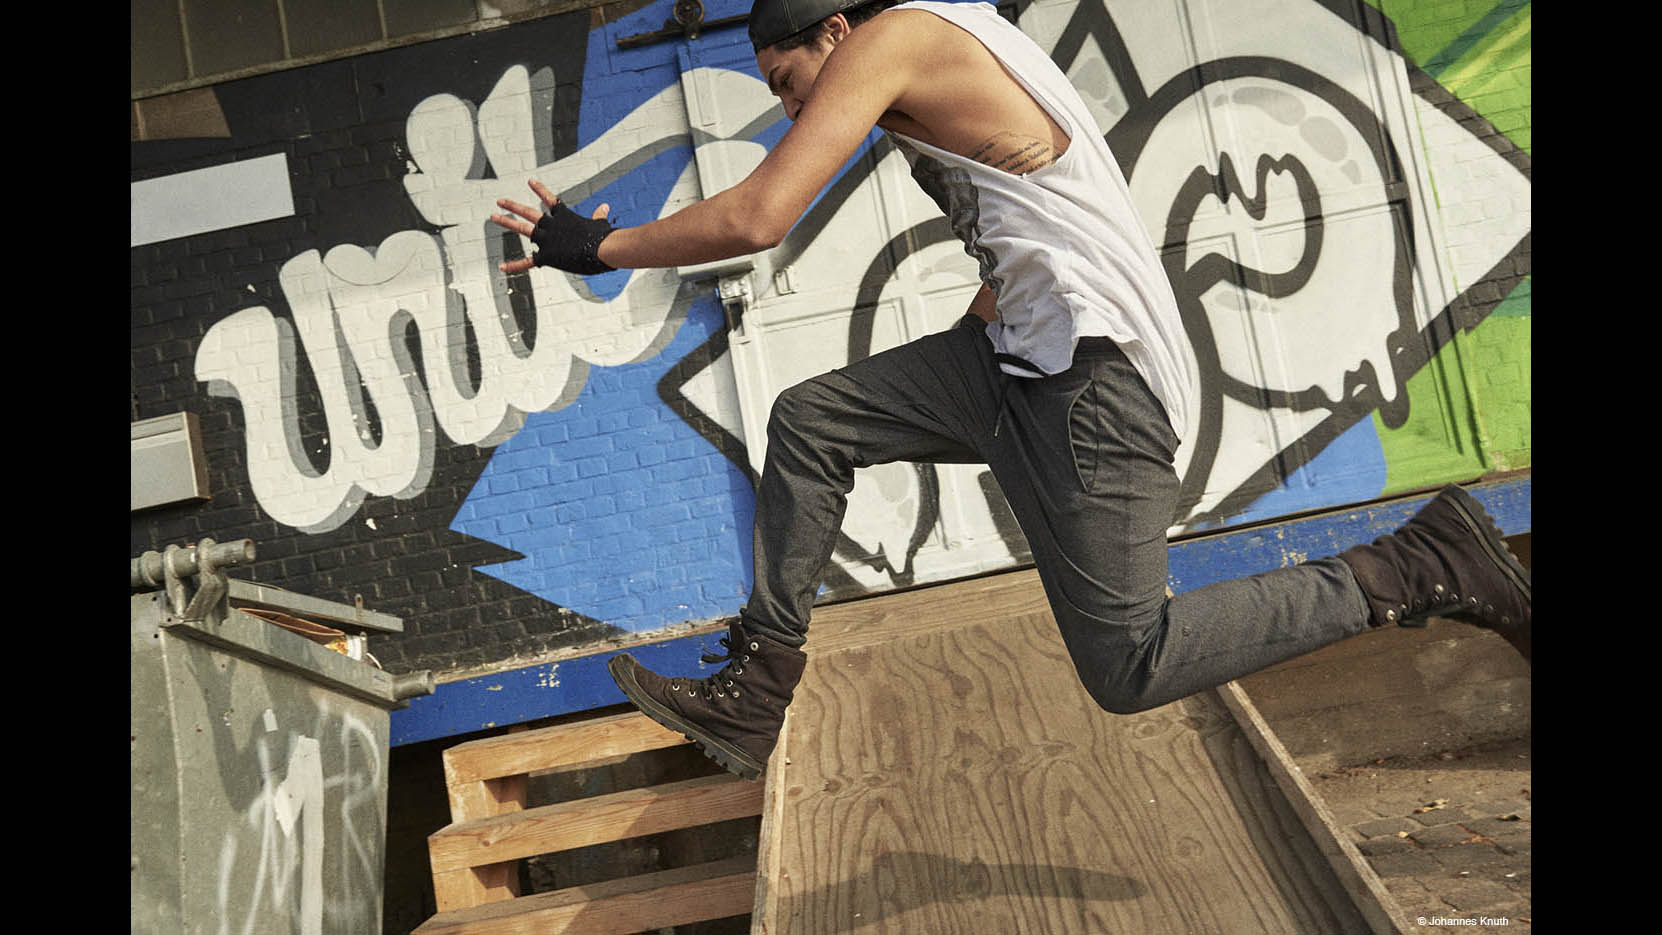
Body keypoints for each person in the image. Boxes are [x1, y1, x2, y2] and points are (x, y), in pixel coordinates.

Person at [489, 0, 1531, 782]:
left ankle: (1416, 563)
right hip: (1016, 359)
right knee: (811, 420)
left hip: (1095, 379)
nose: (794, 106)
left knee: (1130, 662)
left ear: (837, 30)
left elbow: (759, 216)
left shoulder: (894, 38)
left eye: (789, 81)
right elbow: (1026, 224)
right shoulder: (966, 34)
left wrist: (597, 246)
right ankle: (759, 686)